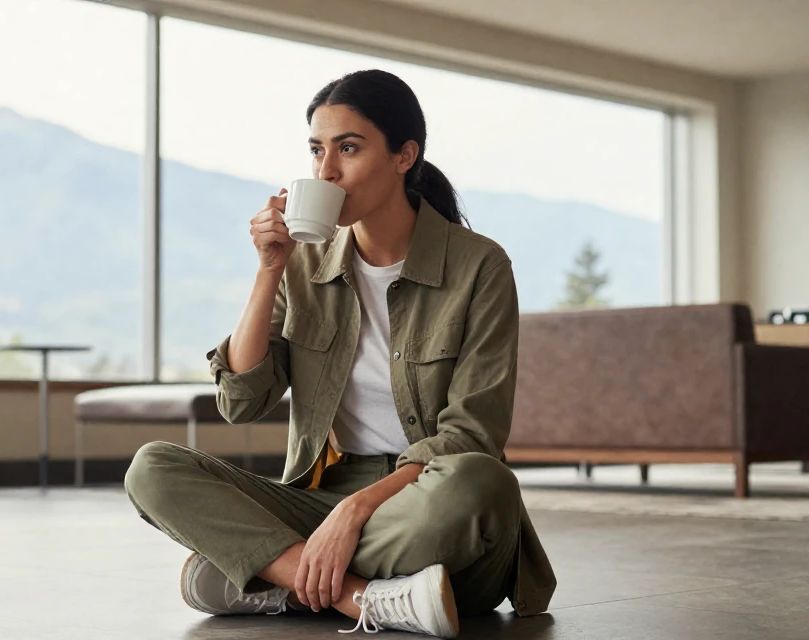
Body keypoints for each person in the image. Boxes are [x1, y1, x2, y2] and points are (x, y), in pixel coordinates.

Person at [124, 69, 556, 637]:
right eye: (316, 151)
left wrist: (353, 514)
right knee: (152, 467)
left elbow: (472, 435)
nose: (326, 171)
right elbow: (242, 402)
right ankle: (363, 598)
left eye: (348, 148)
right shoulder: (303, 263)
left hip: (424, 500)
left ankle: (273, 578)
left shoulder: (480, 266)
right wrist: (269, 270)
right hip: (321, 495)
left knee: (482, 482)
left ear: (405, 156)